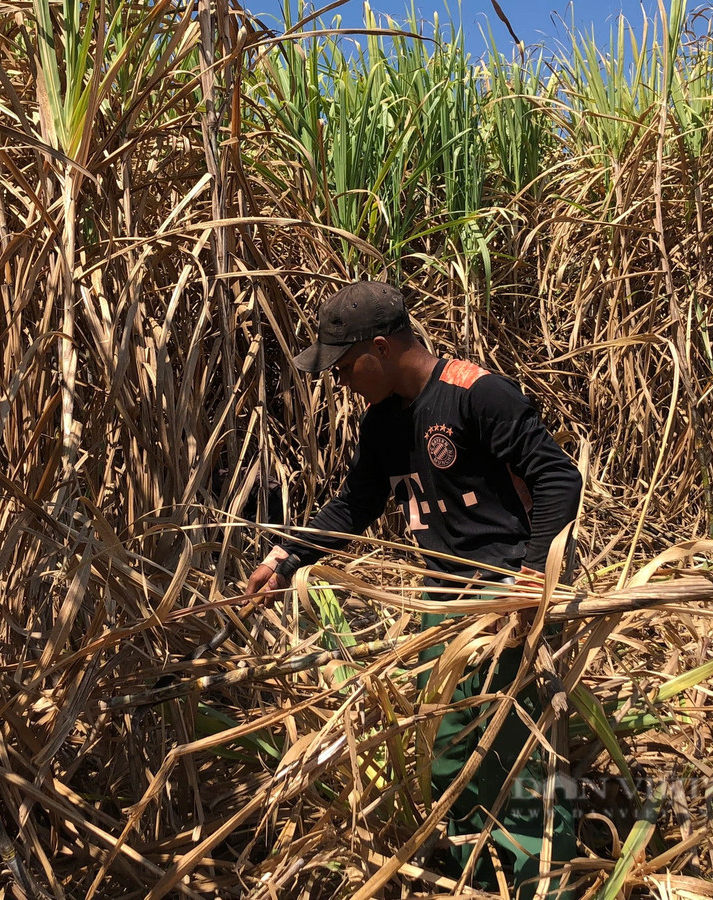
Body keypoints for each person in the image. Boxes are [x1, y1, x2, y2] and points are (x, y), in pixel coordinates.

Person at [245, 280, 583, 898]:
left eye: (344, 367)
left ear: (379, 348)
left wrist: (536, 570)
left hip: (505, 594)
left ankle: (547, 884)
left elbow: (557, 478)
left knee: (516, 754)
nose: (339, 381)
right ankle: (475, 881)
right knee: (450, 753)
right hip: (440, 603)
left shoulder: (478, 395)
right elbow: (355, 506)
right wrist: (287, 556)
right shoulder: (383, 427)